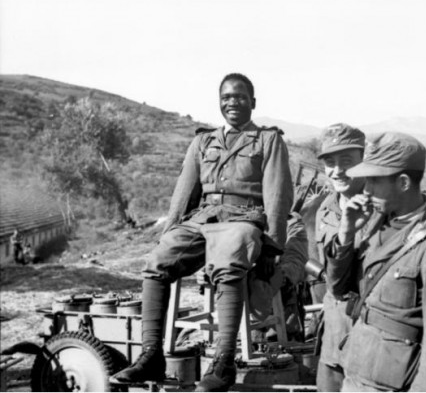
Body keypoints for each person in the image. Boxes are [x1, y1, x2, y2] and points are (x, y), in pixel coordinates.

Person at [111, 73, 293, 392]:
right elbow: (183, 194)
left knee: (228, 258)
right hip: (203, 218)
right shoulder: (203, 141)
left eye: (239, 97)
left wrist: (271, 248)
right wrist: (170, 235)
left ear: (253, 102)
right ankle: (152, 355)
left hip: (244, 219)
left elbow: (278, 194)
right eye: (226, 97)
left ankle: (223, 363)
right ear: (219, 102)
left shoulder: (268, 139)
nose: (232, 102)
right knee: (156, 262)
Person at [327, 132, 426, 391]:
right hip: (356, 373)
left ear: (403, 182)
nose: (366, 189)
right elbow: (337, 290)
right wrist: (346, 234)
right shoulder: (373, 223)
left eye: (374, 180)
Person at [313, 123, 366, 391]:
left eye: (347, 161)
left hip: (371, 336)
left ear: (364, 161)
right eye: (330, 162)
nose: (337, 170)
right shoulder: (326, 209)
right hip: (334, 334)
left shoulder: (385, 207)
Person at [248, 212, 309, 341]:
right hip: (245, 319)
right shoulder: (239, 218)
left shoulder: (291, 221)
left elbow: (297, 260)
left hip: (284, 316)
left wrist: (279, 274)